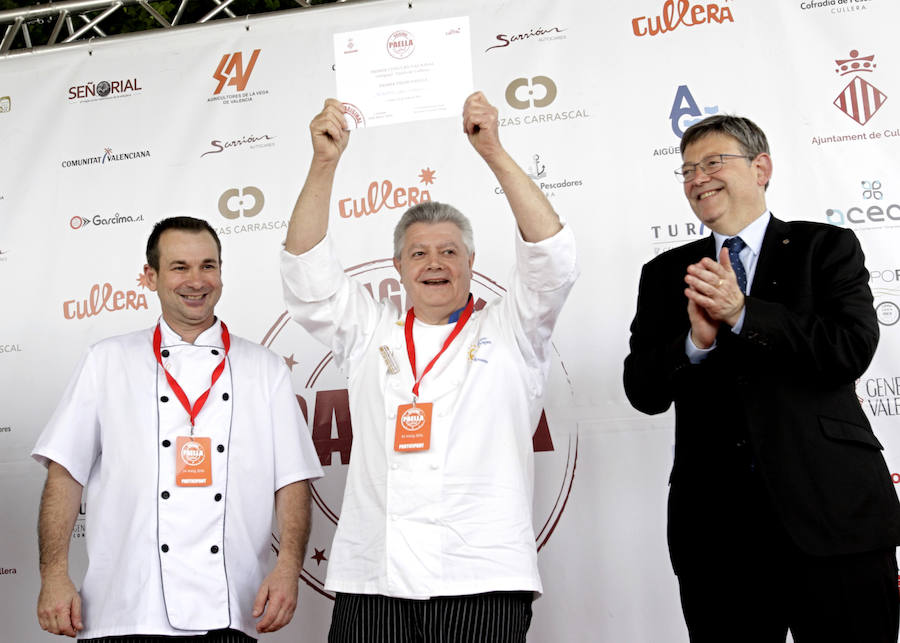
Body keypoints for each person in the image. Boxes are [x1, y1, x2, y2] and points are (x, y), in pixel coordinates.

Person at [280, 92, 577, 642]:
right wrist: (325, 162)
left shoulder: (512, 329)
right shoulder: (371, 330)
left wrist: (492, 151)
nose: (434, 263)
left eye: (448, 251)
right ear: (398, 267)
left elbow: (552, 258)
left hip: (481, 579)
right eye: (419, 253)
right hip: (375, 583)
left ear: (471, 262)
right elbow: (306, 276)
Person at [623, 115, 900, 642]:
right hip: (717, 534)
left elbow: (850, 351)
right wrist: (696, 343)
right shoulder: (664, 274)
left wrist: (745, 312)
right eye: (687, 170)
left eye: (713, 162)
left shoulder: (827, 248)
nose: (698, 178)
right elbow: (643, 391)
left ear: (761, 167)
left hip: (833, 516)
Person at [33, 216, 323, 641]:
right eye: (179, 267)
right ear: (151, 277)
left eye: (208, 265)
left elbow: (292, 479)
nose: (196, 280)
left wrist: (287, 568)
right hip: (126, 609)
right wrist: (54, 575)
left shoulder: (264, 368)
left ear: (221, 273)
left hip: (228, 609)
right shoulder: (106, 361)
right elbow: (65, 473)